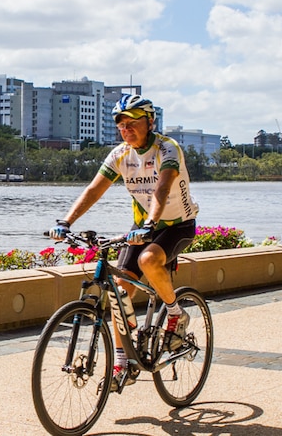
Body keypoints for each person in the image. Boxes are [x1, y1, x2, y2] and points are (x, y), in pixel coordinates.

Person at [49, 93, 199, 391]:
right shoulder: (120, 154)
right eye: (120, 123)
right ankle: (122, 362)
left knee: (148, 260)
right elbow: (94, 189)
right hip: (144, 225)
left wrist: (150, 223)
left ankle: (175, 313)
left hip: (177, 224)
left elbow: (162, 187)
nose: (125, 128)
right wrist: (66, 222)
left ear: (150, 121)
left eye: (132, 122)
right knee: (120, 294)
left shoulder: (167, 148)